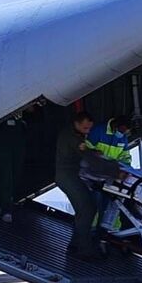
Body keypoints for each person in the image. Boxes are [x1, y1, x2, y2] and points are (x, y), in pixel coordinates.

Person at [56, 111, 101, 259]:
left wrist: (93, 152)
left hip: (70, 175)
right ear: (77, 123)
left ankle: (75, 245)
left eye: (89, 128)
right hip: (67, 176)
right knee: (87, 209)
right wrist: (114, 170)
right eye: (85, 128)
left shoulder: (73, 134)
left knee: (85, 210)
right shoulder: (72, 137)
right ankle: (84, 250)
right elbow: (85, 154)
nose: (87, 131)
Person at [0, 112, 29, 223]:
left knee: (16, 173)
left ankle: (1, 202)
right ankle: (5, 208)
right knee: (5, 174)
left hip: (17, 135)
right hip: (1, 133)